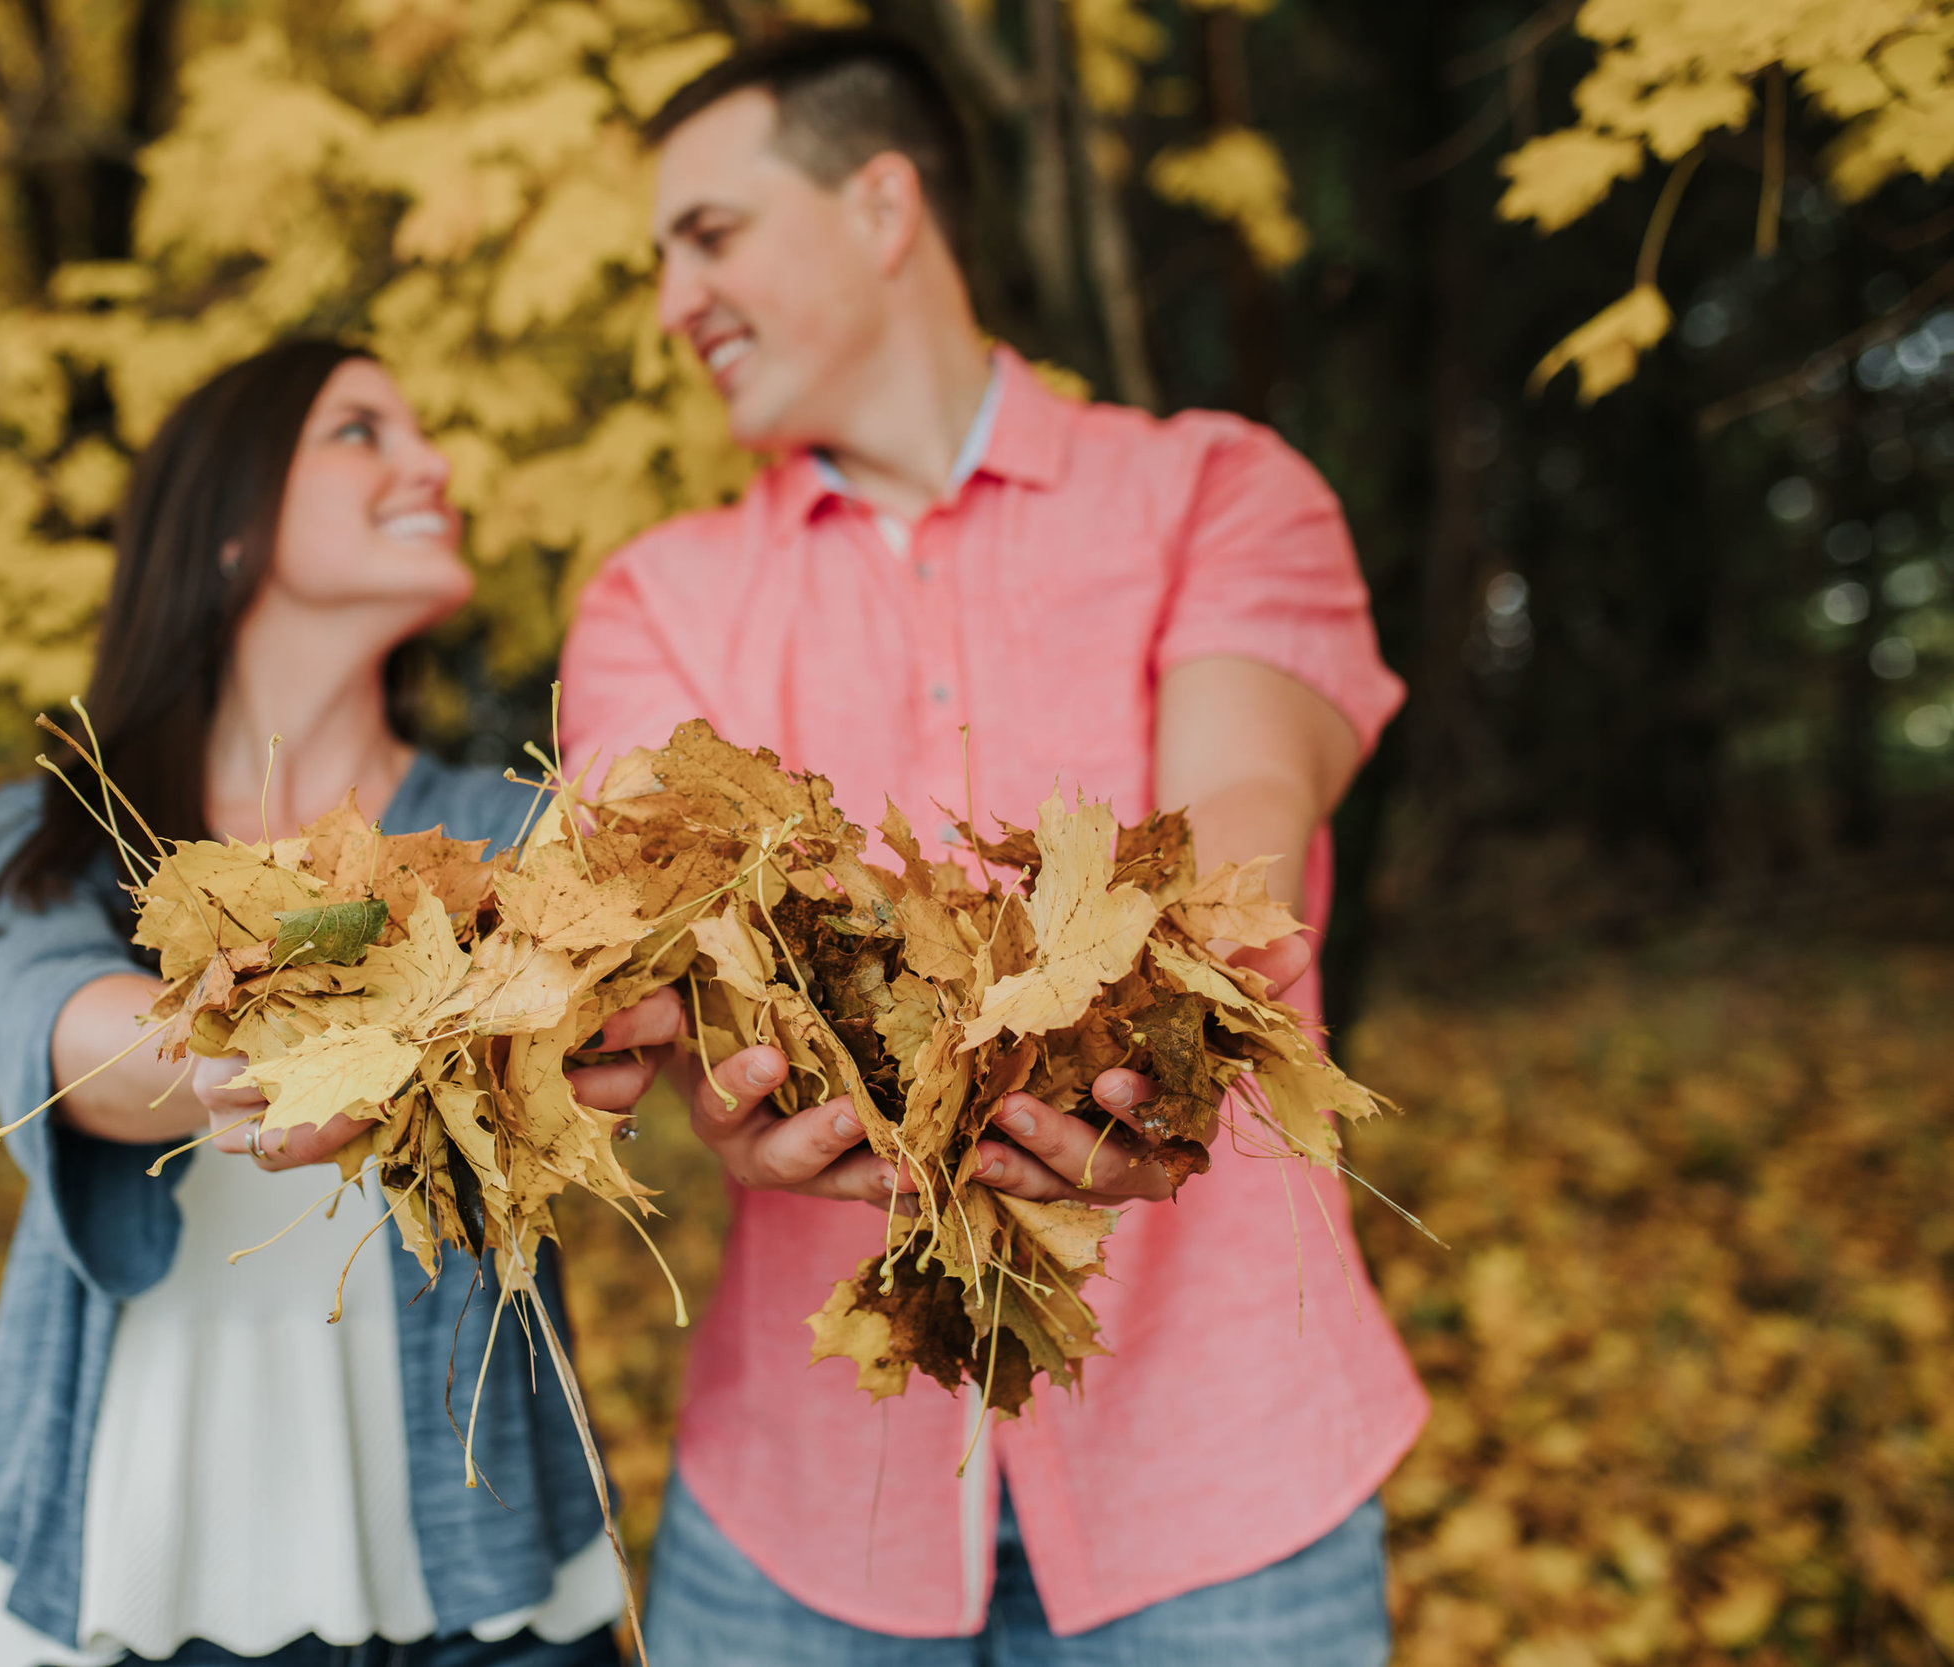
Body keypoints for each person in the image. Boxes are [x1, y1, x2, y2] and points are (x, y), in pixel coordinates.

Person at [557, 31, 1427, 1665]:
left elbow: (1233, 846)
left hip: (1223, 1487)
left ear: (884, 204)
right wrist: (710, 1074)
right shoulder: (650, 602)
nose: (675, 299)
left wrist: (1141, 1050)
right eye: (662, 257)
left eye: (712, 236)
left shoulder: (1220, 494)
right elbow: (649, 932)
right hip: (813, 1525)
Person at [0, 339, 679, 1667]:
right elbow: (60, 1036)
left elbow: (589, 1042)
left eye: (421, 431)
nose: (431, 462)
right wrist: (249, 1053)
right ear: (223, 530)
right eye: (360, 432)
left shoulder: (507, 837)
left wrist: (585, 1048)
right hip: (136, 1533)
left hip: (474, 1550)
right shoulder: (44, 836)